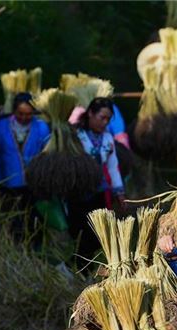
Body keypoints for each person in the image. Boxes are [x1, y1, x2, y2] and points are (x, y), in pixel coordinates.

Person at [67, 97, 126, 260]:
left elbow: (113, 166)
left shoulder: (107, 138)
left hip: (99, 193)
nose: (105, 122)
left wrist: (119, 191)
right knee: (80, 231)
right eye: (102, 118)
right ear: (91, 114)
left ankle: (82, 267)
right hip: (78, 193)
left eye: (108, 119)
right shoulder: (76, 135)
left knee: (96, 233)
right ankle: (75, 266)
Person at [0, 92, 50, 196]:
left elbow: (47, 151)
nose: (24, 117)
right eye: (20, 113)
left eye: (28, 114)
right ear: (13, 111)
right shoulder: (0, 125)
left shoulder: (41, 127)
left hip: (32, 184)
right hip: (6, 182)